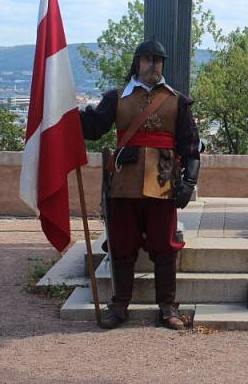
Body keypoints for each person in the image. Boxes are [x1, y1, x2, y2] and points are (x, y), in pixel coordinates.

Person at [80, 40, 200, 330]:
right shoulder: (117, 97)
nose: (153, 65)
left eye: (158, 60)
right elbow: (95, 129)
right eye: (148, 60)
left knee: (164, 246)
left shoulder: (178, 101)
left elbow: (191, 148)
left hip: (163, 184)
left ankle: (167, 307)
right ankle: (119, 306)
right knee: (122, 245)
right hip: (124, 184)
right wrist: (69, 114)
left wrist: (188, 182)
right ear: (137, 63)